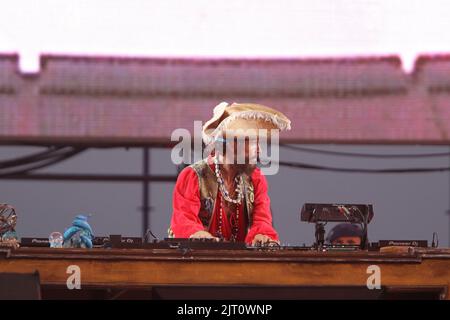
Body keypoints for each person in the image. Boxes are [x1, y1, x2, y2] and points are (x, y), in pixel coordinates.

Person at [169, 102, 291, 246]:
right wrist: (197, 234)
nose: (259, 151)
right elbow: (184, 220)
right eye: (253, 142)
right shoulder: (193, 176)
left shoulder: (256, 179)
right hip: (197, 262)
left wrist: (261, 235)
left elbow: (262, 220)